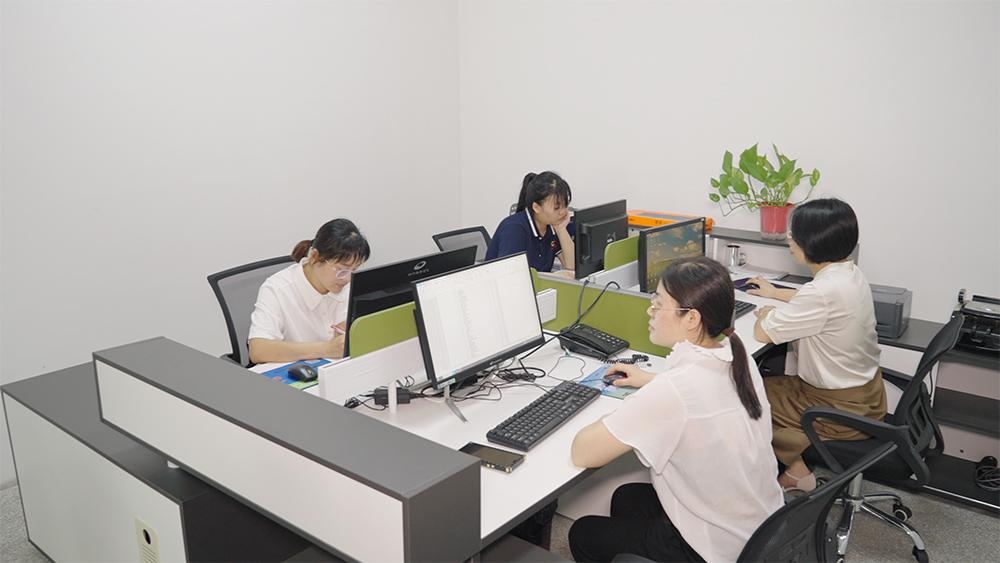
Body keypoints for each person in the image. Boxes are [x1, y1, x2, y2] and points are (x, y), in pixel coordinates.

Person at [568, 256, 783, 563]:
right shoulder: (738, 358)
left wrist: (631, 408)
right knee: (627, 497)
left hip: (714, 550)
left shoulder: (673, 391)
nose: (650, 310)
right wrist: (651, 382)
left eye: (658, 303)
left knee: (584, 532)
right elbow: (700, 395)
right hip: (760, 528)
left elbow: (583, 453)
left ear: (691, 318)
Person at [749, 198, 885, 493]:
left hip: (836, 409)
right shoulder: (849, 274)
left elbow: (762, 332)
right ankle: (796, 470)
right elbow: (815, 300)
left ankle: (783, 471)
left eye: (793, 233)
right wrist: (775, 292)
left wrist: (766, 312)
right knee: (760, 381)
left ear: (812, 242)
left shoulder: (823, 291)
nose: (789, 238)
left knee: (741, 392)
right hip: (867, 397)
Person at [248, 218, 370, 364]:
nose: (347, 279)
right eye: (341, 270)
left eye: (354, 269)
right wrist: (327, 348)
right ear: (314, 256)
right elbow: (258, 351)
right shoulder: (277, 289)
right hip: (295, 372)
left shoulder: (347, 284)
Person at [484, 171, 575, 273]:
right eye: (557, 207)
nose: (563, 212)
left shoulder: (551, 226)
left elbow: (572, 267)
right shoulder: (514, 230)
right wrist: (554, 276)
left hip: (538, 283)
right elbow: (511, 275)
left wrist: (561, 229)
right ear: (536, 207)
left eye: (565, 205)